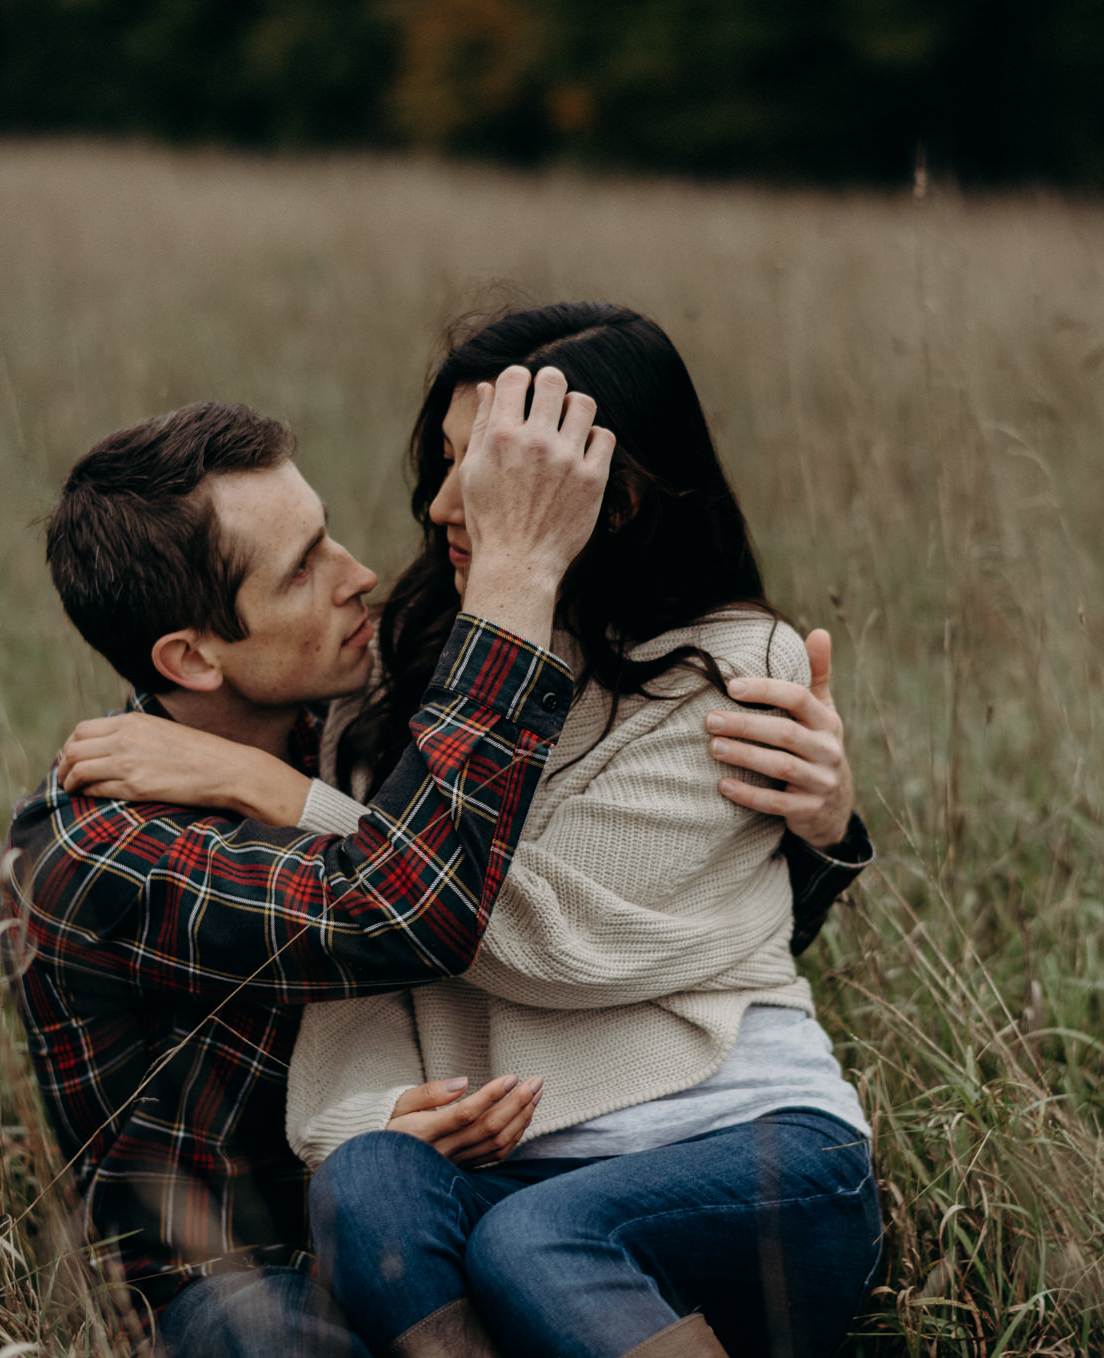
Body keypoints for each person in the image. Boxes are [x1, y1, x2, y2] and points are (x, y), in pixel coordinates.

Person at [67, 305, 880, 1358]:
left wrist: (276, 789)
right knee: (366, 1177)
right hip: (507, 1175)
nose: (444, 504)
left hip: (744, 1151)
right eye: (444, 461)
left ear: (608, 496)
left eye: (489, 471)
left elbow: (525, 933)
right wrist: (375, 1112)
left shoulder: (734, 669)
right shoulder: (408, 676)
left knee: (536, 1239)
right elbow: (360, 972)